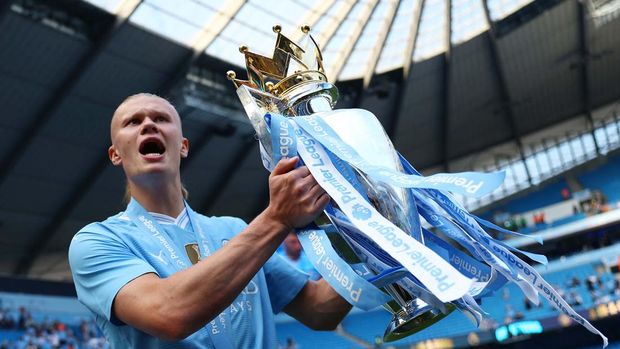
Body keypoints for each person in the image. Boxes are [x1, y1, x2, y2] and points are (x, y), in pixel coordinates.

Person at [68, 93, 352, 348]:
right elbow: (169, 314)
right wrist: (276, 219)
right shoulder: (97, 241)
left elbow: (319, 309)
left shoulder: (234, 230)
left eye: (161, 118)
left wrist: (372, 241)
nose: (148, 125)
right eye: (133, 122)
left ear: (183, 146)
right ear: (115, 154)